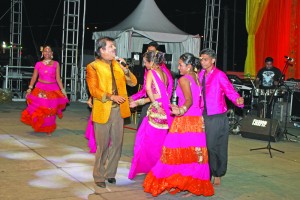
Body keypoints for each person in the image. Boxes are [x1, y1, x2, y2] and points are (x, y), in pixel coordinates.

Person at [143, 53, 214, 197]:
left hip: (185, 121)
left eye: (181, 64)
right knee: (193, 155)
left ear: (189, 66)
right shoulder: (197, 77)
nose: (178, 67)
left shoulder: (184, 79)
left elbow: (189, 100)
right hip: (197, 122)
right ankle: (190, 185)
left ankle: (172, 183)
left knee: (171, 153)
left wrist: (180, 109)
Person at [86, 37, 137, 188]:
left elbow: (133, 82)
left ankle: (110, 174)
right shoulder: (93, 66)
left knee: (117, 144)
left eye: (114, 47)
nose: (114, 49)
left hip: (118, 111)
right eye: (110, 47)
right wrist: (111, 96)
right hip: (103, 109)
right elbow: (94, 90)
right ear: (101, 50)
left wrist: (126, 69)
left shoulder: (118, 65)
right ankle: (99, 175)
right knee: (102, 146)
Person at [199, 48, 244, 186]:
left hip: (216, 115)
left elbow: (229, 90)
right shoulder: (200, 74)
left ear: (213, 60)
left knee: (215, 146)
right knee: (203, 146)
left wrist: (238, 100)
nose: (202, 62)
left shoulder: (219, 75)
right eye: (201, 59)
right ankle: (205, 173)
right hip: (202, 113)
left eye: (205, 59)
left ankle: (218, 173)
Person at [128, 50, 173, 180]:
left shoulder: (151, 72)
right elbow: (160, 95)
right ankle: (153, 167)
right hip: (164, 108)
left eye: (146, 62)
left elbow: (148, 90)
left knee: (146, 140)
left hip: (157, 109)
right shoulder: (164, 73)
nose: (145, 65)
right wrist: (139, 102)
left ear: (152, 62)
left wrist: (156, 106)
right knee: (159, 141)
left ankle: (149, 167)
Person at [21, 45, 69, 135]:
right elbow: (34, 77)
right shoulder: (38, 64)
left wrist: (63, 90)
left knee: (50, 110)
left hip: (53, 89)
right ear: (42, 53)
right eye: (45, 51)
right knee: (41, 109)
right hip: (40, 89)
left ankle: (48, 128)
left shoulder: (56, 64)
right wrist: (29, 88)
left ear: (52, 53)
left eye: (49, 51)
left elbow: (58, 78)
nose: (47, 53)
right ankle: (40, 126)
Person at [129, 41, 173, 129]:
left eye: (152, 52)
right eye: (148, 51)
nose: (149, 54)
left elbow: (148, 89)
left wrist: (136, 99)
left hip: (155, 102)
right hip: (160, 102)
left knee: (144, 130)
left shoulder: (153, 71)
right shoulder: (158, 68)